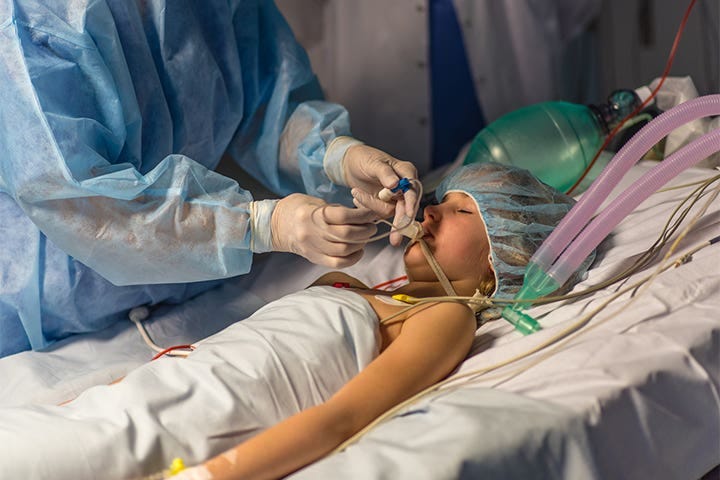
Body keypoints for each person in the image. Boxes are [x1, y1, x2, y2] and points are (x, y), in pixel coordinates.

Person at [0, 163, 593, 479]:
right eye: (443, 197)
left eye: (464, 210)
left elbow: (341, 420)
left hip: (168, 438)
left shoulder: (447, 319)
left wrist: (213, 479)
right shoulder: (352, 286)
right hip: (132, 402)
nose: (434, 208)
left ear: (505, 263)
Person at [0, 0, 418, 357]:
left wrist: (335, 156)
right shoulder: (33, 22)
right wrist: (260, 224)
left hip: (190, 290)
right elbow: (84, 204)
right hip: (61, 316)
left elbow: (266, 104)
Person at [276, 0, 602, 174]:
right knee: (395, 198)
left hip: (508, 73)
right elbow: (298, 21)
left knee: (518, 196)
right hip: (375, 87)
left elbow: (571, 11)